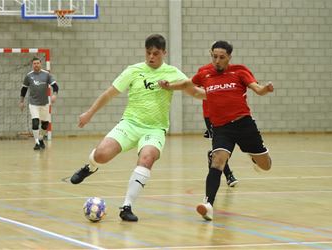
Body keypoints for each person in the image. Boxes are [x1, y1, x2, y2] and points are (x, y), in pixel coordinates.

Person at [69, 34, 203, 222]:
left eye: (156, 53)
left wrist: (221, 96)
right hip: (130, 124)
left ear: (164, 52)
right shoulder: (133, 71)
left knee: (147, 158)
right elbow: (109, 94)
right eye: (148, 53)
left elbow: (196, 92)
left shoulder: (173, 73)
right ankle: (90, 167)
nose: (151, 57)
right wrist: (89, 113)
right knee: (101, 155)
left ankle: (126, 206)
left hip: (155, 129)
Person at [159, 40, 273, 221]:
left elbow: (257, 89)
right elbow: (187, 84)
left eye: (222, 57)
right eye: (214, 57)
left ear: (229, 57)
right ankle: (208, 204)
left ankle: (254, 155)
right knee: (217, 160)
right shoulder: (205, 74)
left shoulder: (240, 71)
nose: (217, 61)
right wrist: (169, 86)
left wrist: (265, 89)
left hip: (244, 125)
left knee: (265, 166)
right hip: (221, 128)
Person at [19, 57, 59, 150]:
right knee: (35, 122)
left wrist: (54, 95)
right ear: (32, 65)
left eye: (37, 63)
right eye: (34, 63)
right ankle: (37, 142)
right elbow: (24, 89)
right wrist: (21, 101)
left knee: (45, 124)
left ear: (40, 64)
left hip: (44, 103)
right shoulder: (29, 76)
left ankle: (41, 139)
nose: (36, 65)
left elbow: (55, 86)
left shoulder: (46, 75)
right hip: (33, 103)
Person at [202, 99, 238, 188]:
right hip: (210, 116)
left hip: (226, 114)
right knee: (221, 148)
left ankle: (212, 155)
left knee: (228, 145)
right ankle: (229, 175)